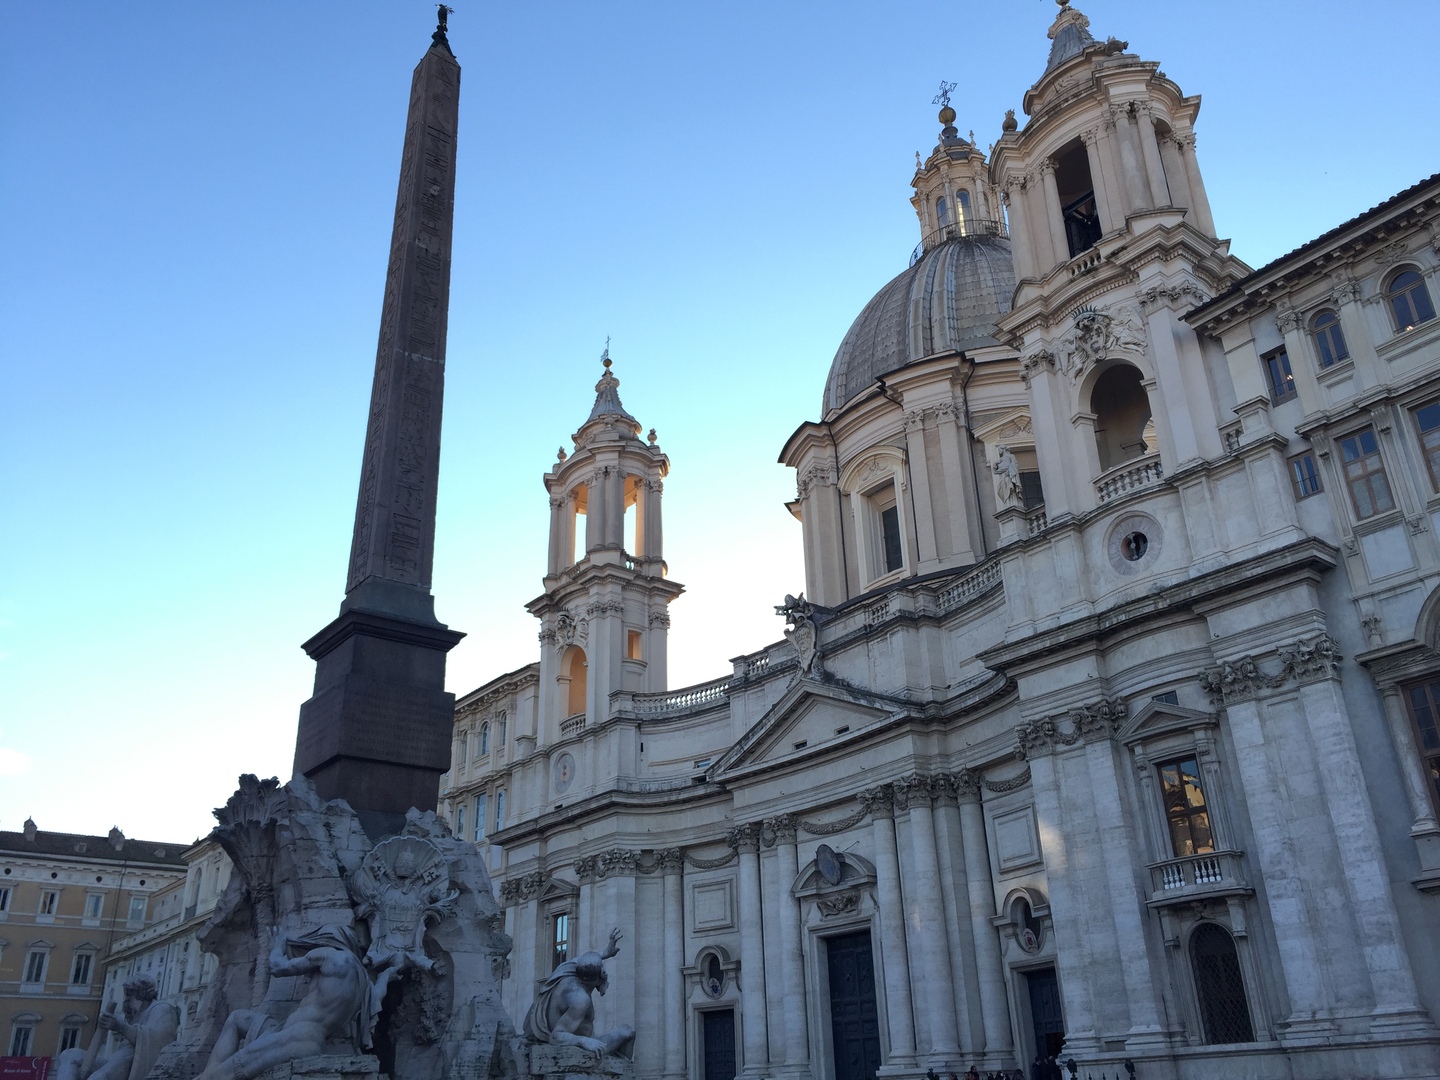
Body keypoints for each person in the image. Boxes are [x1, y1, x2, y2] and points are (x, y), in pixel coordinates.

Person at [194, 925, 372, 1080]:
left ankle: (209, 1077)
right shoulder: (362, 981)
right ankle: (207, 1074)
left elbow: (278, 967)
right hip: (298, 1035)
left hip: (295, 1037)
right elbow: (377, 994)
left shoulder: (328, 955)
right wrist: (388, 974)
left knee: (220, 1077)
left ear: (326, 939)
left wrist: (277, 947)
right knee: (237, 1018)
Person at [523, 927, 636, 1060]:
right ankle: (622, 1070)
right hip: (583, 1048)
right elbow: (556, 1036)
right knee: (627, 1032)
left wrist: (606, 953)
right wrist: (585, 1041)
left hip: (583, 1040)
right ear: (601, 975)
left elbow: (586, 960)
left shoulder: (566, 969)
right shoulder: (580, 1000)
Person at [55, 976, 178, 1080]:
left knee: (99, 1077)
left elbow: (158, 1041)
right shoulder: (135, 1014)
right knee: (69, 1055)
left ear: (143, 994)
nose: (126, 999)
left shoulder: (162, 1009)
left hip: (134, 1063)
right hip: (118, 1060)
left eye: (130, 994)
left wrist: (121, 1027)